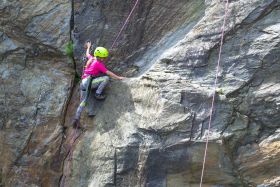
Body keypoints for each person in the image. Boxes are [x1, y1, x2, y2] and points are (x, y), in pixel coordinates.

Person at [73, 42, 125, 127]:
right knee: (106, 78)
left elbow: (87, 54)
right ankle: (98, 93)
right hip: (89, 82)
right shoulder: (98, 64)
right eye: (103, 57)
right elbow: (108, 72)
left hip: (83, 82)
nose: (104, 59)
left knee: (82, 103)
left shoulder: (92, 58)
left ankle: (76, 120)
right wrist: (118, 77)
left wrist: (88, 47)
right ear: (100, 57)